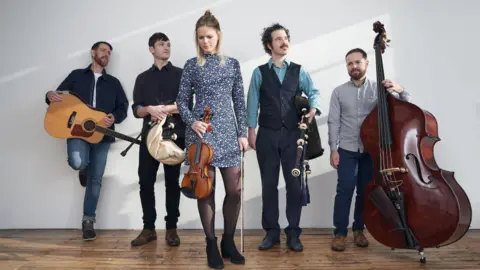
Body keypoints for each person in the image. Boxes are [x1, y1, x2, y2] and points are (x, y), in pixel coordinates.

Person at [176, 9, 248, 269]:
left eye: (209, 36)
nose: (205, 42)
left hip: (228, 133)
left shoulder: (232, 64)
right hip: (200, 135)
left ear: (218, 36)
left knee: (234, 190)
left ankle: (228, 241)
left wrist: (242, 133)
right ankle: (210, 243)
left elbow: (239, 101)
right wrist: (191, 120)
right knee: (206, 190)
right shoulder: (191, 65)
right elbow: (181, 101)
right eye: (200, 38)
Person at [246, 23, 321, 252]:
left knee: (294, 185)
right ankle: (271, 233)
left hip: (293, 136)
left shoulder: (299, 70)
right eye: (278, 39)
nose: (284, 41)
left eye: (285, 38)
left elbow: (314, 92)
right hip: (266, 135)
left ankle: (293, 233)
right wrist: (251, 130)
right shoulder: (259, 72)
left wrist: (313, 108)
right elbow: (252, 103)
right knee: (268, 185)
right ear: (270, 45)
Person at [327, 48, 412, 251]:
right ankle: (339, 233)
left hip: (371, 151)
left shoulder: (380, 88)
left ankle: (359, 230)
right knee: (344, 191)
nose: (354, 66)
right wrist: (333, 149)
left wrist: (400, 89)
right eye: (350, 63)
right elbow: (333, 122)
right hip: (347, 149)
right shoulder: (339, 91)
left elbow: (405, 105)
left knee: (365, 193)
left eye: (357, 62)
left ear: (366, 63)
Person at [45, 41, 129, 241]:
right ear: (93, 53)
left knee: (95, 180)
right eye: (103, 50)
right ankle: (84, 166)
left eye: (109, 52)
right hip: (76, 132)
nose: (106, 54)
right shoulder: (76, 76)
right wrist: (48, 96)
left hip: (102, 135)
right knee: (78, 162)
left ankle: (88, 220)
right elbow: (59, 99)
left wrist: (114, 117)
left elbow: (123, 107)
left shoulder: (114, 83)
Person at [130, 32, 190, 247]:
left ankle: (171, 229)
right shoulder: (142, 78)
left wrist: (162, 109)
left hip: (175, 137)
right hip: (149, 138)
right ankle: (148, 229)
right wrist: (148, 109)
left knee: (172, 184)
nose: (166, 47)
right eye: (161, 44)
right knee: (145, 182)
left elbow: (187, 104)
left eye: (168, 44)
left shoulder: (182, 74)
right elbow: (136, 109)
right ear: (151, 49)